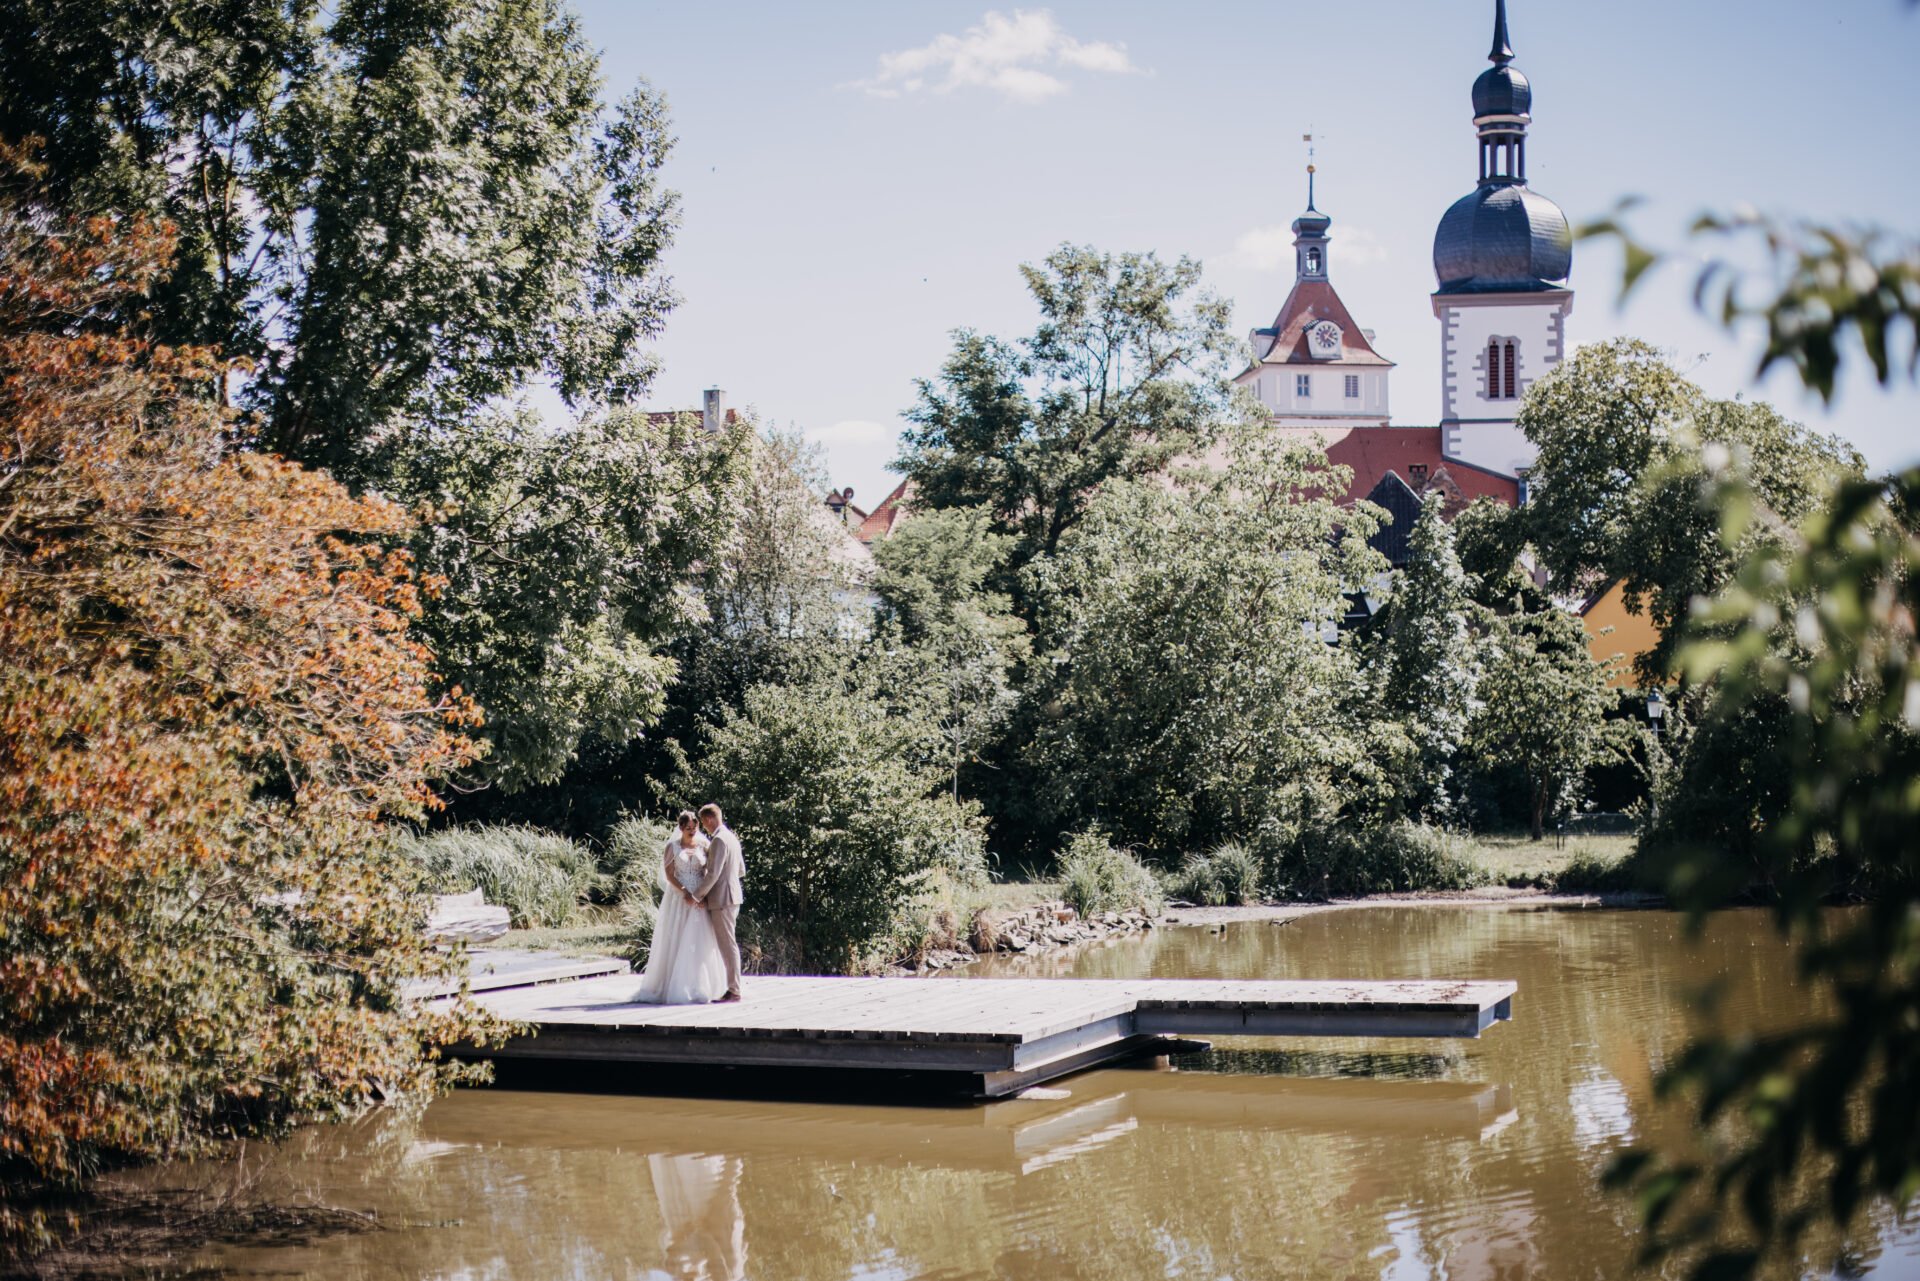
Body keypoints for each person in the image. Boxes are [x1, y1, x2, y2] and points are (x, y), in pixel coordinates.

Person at [630, 811, 729, 1005]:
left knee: (701, 938)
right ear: (681, 828)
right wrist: (684, 891)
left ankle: (703, 985)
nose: (692, 831)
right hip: (679, 897)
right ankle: (674, 984)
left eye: (695, 827)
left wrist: (701, 894)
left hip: (700, 896)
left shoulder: (704, 845)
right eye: (688, 828)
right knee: (678, 935)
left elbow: (711, 870)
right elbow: (668, 874)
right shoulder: (672, 847)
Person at [690, 802, 744, 1002]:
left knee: (727, 944)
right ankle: (732, 987)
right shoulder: (732, 838)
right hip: (732, 896)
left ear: (710, 819)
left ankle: (734, 989)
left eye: (704, 823)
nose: (705, 827)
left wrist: (696, 895)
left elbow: (713, 874)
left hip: (722, 899)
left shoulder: (719, 840)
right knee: (727, 942)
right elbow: (740, 870)